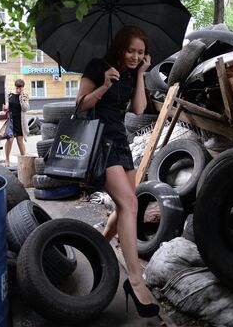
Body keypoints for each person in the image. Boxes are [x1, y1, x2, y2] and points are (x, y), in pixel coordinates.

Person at [76, 25, 159, 318]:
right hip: (100, 142)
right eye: (131, 50)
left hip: (121, 142)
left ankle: (97, 249)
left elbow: (138, 109)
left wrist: (139, 75)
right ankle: (135, 281)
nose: (136, 56)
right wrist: (104, 86)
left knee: (125, 206)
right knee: (129, 204)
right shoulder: (98, 67)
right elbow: (80, 106)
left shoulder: (131, 72)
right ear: (120, 48)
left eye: (140, 52)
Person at [3, 79, 30, 167]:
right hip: (11, 121)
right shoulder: (10, 95)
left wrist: (21, 98)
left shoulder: (25, 96)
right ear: (15, 86)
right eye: (18, 88)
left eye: (21, 88)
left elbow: (25, 108)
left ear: (23, 87)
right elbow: (7, 106)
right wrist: (5, 107)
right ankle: (7, 160)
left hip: (20, 122)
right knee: (9, 140)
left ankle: (24, 160)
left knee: (20, 141)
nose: (19, 90)